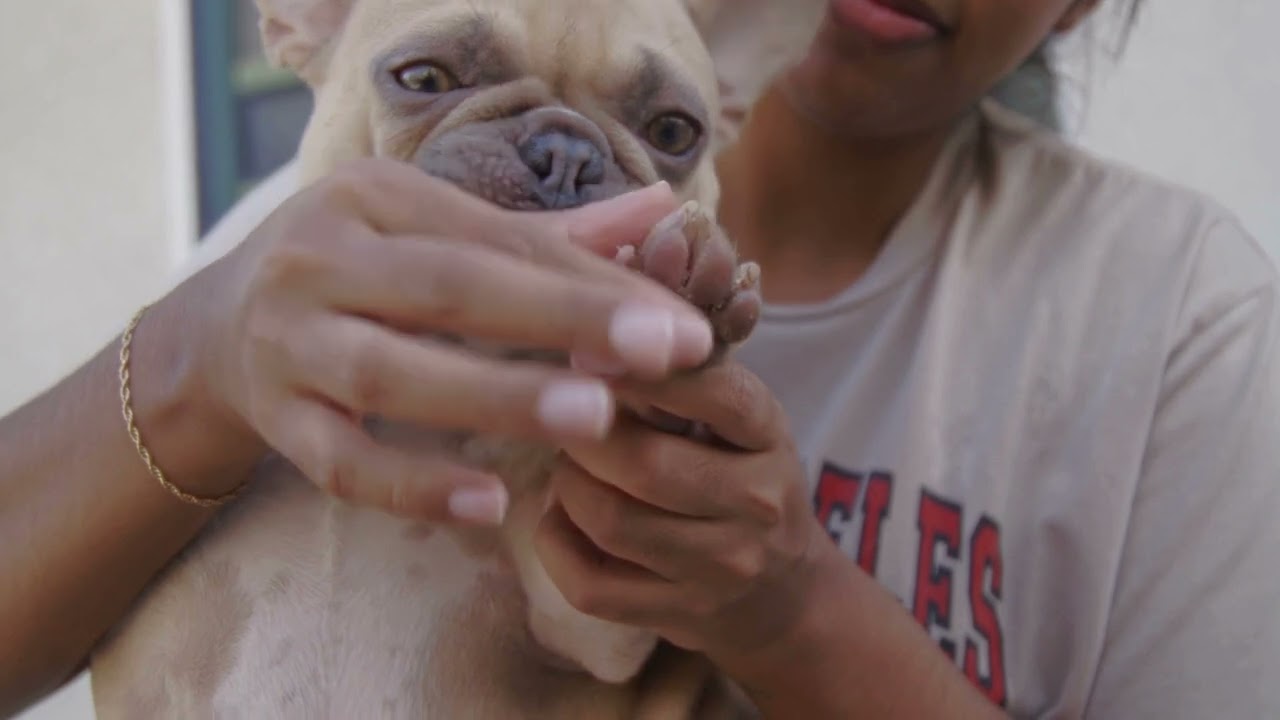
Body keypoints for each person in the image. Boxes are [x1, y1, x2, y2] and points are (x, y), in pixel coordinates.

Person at [3, 0, 1277, 717]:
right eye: (432, 78)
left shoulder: (1174, 314)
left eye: (660, 131)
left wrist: (785, 611)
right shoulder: (291, 261)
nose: (552, 162)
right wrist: (195, 360)